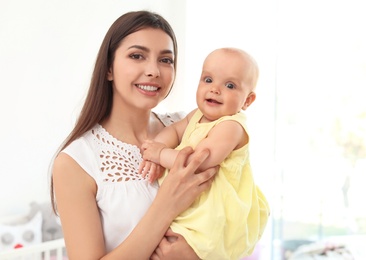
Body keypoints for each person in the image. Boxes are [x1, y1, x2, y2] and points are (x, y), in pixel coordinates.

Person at [50, 11, 218, 259]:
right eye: (137, 56)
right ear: (109, 68)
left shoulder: (193, 128)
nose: (153, 70)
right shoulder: (76, 162)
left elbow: (237, 210)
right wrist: (165, 206)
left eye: (166, 60)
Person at [138, 47, 270, 260]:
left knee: (192, 247)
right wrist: (152, 148)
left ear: (247, 100)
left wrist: (160, 155)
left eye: (230, 85)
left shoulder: (231, 127)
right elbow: (173, 131)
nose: (215, 89)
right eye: (208, 80)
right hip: (193, 203)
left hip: (215, 212)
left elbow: (196, 163)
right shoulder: (196, 115)